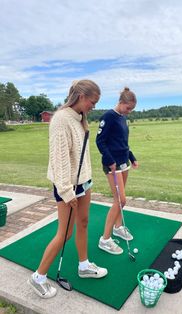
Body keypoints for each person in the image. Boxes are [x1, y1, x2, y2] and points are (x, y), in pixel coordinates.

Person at [28, 79, 108, 299]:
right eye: (93, 101)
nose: (94, 106)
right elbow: (59, 158)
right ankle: (38, 277)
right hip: (68, 186)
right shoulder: (62, 119)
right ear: (81, 97)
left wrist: (86, 181)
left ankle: (84, 266)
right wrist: (66, 191)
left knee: (83, 223)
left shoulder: (80, 117)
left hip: (83, 182)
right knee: (65, 233)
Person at [96, 87, 139, 255]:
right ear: (121, 102)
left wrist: (132, 156)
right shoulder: (108, 117)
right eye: (128, 108)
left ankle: (118, 227)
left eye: (132, 109)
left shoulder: (122, 117)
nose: (129, 112)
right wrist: (110, 160)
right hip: (112, 165)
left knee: (122, 201)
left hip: (124, 163)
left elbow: (122, 142)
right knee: (120, 200)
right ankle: (105, 240)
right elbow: (100, 141)